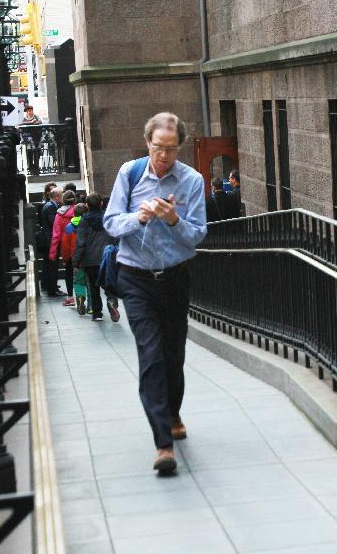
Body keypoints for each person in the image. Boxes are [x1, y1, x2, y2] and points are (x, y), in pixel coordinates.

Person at [104, 112, 207, 473]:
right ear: (147, 142)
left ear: (180, 146)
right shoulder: (129, 174)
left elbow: (197, 234)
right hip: (135, 277)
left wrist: (173, 219)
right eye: (158, 147)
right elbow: (112, 222)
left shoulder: (191, 180)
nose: (164, 155)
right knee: (151, 356)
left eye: (172, 149)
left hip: (175, 276)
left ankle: (174, 412)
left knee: (173, 352)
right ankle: (163, 443)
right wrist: (141, 218)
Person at [73, 193, 120, 322]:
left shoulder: (84, 220)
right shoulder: (108, 218)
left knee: (93, 287)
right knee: (108, 283)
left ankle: (97, 313)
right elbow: (115, 236)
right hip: (107, 257)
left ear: (87, 205)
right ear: (101, 204)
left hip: (90, 260)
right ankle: (112, 301)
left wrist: (76, 261)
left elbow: (80, 242)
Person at [49, 190, 77, 305]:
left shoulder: (59, 215)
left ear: (63, 200)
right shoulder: (80, 211)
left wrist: (52, 253)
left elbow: (55, 236)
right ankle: (90, 302)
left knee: (69, 273)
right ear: (74, 200)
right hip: (80, 246)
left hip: (66, 248)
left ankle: (70, 297)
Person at [39, 187, 63, 295]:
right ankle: (52, 290)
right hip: (50, 241)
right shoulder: (50, 207)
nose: (62, 197)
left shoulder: (50, 205)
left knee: (51, 266)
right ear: (56, 196)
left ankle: (52, 287)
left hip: (48, 240)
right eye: (61, 195)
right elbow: (54, 223)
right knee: (52, 266)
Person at [20, 105, 42, 175]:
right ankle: (31, 168)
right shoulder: (24, 118)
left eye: (31, 110)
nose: (29, 112)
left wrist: (35, 122)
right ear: (26, 112)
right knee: (29, 154)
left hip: (36, 138)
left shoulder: (36, 116)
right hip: (28, 139)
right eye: (28, 111)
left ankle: (36, 168)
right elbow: (21, 124)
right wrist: (31, 122)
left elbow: (40, 121)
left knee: (37, 153)